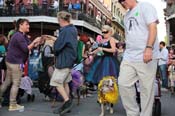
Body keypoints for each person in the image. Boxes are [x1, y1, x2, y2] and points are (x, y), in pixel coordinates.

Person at [118, 0, 159, 116]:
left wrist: (149, 48)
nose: (122, 3)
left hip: (146, 55)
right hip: (130, 56)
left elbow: (153, 27)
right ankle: (133, 113)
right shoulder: (126, 16)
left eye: (122, 0)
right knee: (123, 83)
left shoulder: (145, 7)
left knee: (146, 90)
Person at [0, 18, 42, 110]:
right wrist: (34, 41)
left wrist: (36, 42)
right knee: (16, 83)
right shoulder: (19, 36)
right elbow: (26, 49)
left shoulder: (22, 35)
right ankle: (12, 104)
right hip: (15, 63)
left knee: (7, 82)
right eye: (26, 24)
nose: (28, 26)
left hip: (10, 61)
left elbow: (30, 45)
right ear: (20, 25)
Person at [50, 11, 78, 115]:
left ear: (61, 20)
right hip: (69, 59)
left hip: (64, 60)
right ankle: (67, 104)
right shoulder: (73, 29)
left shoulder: (65, 31)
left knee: (56, 82)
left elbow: (57, 47)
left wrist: (54, 43)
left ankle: (67, 102)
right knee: (65, 82)